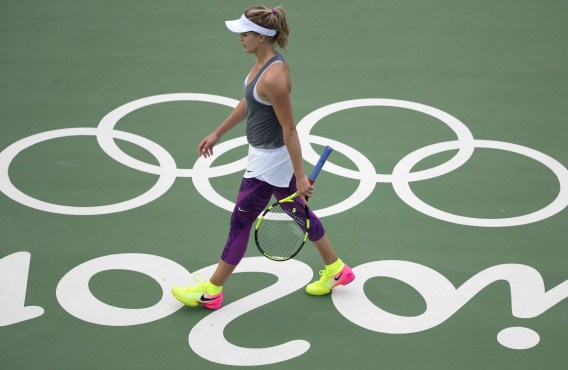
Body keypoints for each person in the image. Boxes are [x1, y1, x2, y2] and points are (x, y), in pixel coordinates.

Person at [171, 6, 354, 310]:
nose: (239, 37)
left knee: (240, 223)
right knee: (297, 211)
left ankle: (211, 291)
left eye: (245, 33)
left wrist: (299, 174)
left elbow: (290, 128)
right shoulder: (260, 64)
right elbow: (249, 103)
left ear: (261, 36)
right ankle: (337, 269)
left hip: (269, 161)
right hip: (263, 153)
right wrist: (218, 132)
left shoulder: (274, 77)